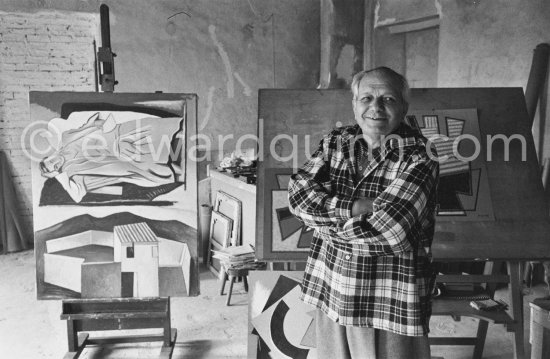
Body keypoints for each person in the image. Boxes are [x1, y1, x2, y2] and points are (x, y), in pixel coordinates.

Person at [288, 67, 439, 358]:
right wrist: (354, 207)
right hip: (331, 288)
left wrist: (321, 225)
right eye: (366, 97)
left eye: (388, 99)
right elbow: (297, 196)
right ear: (355, 104)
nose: (376, 107)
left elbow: (389, 231)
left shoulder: (420, 155)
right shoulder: (336, 141)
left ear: (404, 107)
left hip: (387, 298)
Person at [39, 112, 183, 203]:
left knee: (145, 129)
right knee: (142, 163)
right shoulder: (71, 172)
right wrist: (59, 177)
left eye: (51, 161)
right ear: (57, 171)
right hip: (117, 158)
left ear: (49, 155)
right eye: (55, 168)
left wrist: (104, 127)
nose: (56, 163)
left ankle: (180, 129)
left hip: (112, 134)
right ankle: (180, 171)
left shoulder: (65, 139)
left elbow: (89, 124)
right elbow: (77, 197)